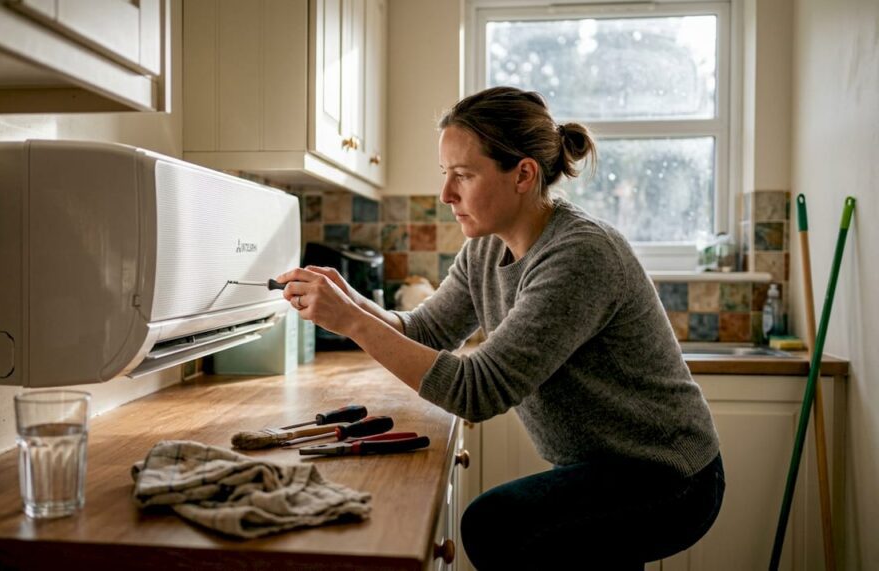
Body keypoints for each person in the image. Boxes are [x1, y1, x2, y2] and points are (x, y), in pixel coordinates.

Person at [276, 86, 724, 569]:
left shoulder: (580, 254)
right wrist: (352, 301)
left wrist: (352, 321)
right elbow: (425, 332)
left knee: (494, 525)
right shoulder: (486, 248)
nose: (446, 194)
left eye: (464, 175)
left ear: (523, 175)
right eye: (445, 174)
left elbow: (477, 391)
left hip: (668, 475)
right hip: (602, 465)